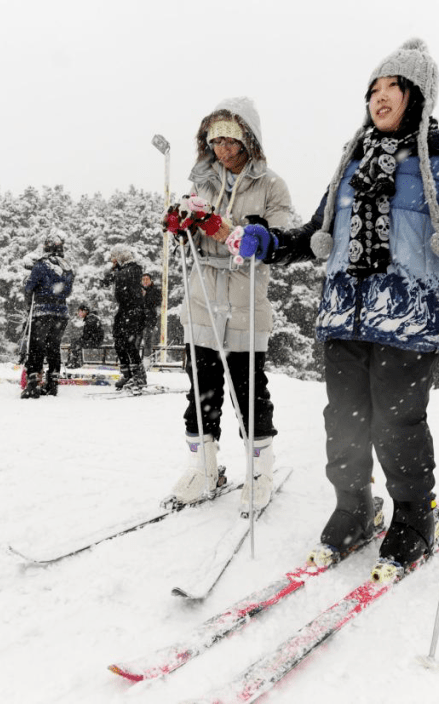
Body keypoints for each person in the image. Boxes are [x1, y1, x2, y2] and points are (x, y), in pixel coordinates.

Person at [259, 39, 439, 575]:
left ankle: (415, 516)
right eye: (373, 89)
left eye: (393, 87)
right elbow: (315, 233)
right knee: (343, 420)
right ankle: (355, 509)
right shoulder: (352, 161)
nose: (380, 97)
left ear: (419, 96)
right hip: (343, 314)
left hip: (409, 318)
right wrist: (269, 243)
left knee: (396, 423)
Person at [165, 96, 293, 517]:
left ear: (249, 140)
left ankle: (260, 472)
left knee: (248, 389)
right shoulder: (203, 182)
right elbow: (194, 227)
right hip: (202, 295)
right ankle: (204, 468)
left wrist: (227, 230)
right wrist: (181, 226)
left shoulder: (270, 185)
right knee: (201, 388)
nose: (222, 148)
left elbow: (279, 239)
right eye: (214, 140)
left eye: (231, 140)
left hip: (244, 295)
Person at [21, 233, 74, 398]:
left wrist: (29, 295)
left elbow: (30, 288)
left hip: (43, 310)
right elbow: (68, 290)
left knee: (36, 346)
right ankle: (53, 382)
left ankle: (33, 382)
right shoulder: (67, 267)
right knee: (53, 347)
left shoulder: (41, 265)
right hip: (61, 312)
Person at [102, 243, 147, 391]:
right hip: (126, 310)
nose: (112, 262)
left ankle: (138, 376)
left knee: (129, 343)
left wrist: (113, 275)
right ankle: (128, 373)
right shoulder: (126, 271)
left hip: (132, 311)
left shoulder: (131, 270)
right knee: (120, 341)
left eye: (114, 259)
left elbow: (124, 287)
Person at [66, 303, 105, 368]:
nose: (79, 314)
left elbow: (88, 334)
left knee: (75, 343)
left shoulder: (90, 319)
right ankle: (74, 362)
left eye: (79, 312)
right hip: (96, 339)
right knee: (76, 342)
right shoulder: (92, 318)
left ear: (84, 311)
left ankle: (74, 363)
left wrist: (82, 339)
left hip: (94, 341)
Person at [139, 273, 162, 360]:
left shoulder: (155, 290)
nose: (145, 281)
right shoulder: (137, 290)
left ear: (150, 280)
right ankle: (135, 361)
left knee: (147, 341)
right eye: (143, 279)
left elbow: (158, 302)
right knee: (136, 341)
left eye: (147, 279)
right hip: (138, 320)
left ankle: (146, 360)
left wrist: (146, 297)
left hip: (149, 319)